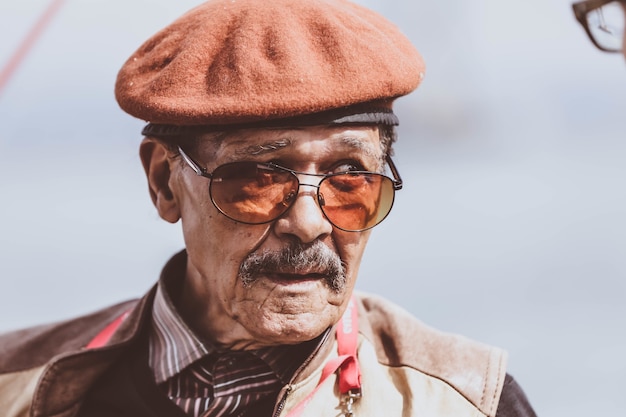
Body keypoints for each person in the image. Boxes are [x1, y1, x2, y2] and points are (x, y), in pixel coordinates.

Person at [0, 0, 537, 416]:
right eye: (257, 180)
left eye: (350, 181)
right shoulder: (18, 386)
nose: (307, 225)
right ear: (164, 182)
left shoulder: (468, 401)